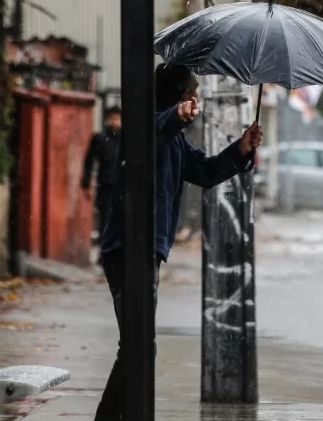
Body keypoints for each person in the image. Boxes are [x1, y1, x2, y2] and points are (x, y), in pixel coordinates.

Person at [94, 64, 263, 421]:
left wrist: (241, 149)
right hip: (127, 249)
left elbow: (205, 171)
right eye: (195, 93)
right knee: (137, 347)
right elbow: (154, 130)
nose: (198, 98)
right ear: (183, 97)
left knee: (138, 347)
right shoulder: (144, 126)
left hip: (145, 252)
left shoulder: (175, 140)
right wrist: (176, 117)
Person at [82, 106, 122, 248]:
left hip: (122, 186)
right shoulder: (100, 139)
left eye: (117, 119)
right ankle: (104, 251)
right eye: (112, 118)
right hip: (105, 185)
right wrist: (86, 184)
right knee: (105, 219)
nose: (114, 122)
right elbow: (89, 161)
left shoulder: (126, 140)